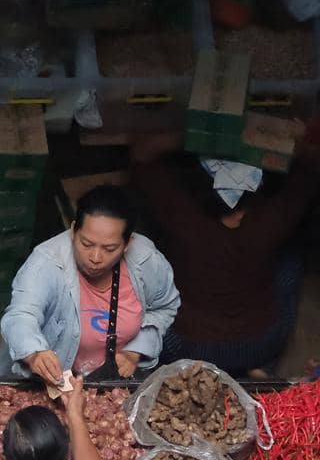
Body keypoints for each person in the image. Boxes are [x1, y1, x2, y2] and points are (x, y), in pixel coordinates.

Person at [130, 126, 320, 377]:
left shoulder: (182, 216)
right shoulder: (270, 222)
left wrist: (206, 133)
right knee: (291, 262)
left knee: (152, 256)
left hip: (184, 346)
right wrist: (264, 137)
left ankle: (175, 369)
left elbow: (141, 153)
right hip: (256, 346)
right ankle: (261, 368)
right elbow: (312, 164)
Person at [0, 186, 181, 384]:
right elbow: (21, 314)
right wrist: (34, 354)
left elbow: (164, 307)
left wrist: (136, 350)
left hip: (110, 382)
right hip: (54, 381)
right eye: (86, 244)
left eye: (109, 248)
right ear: (73, 230)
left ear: (127, 244)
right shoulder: (46, 263)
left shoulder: (146, 261)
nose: (95, 257)